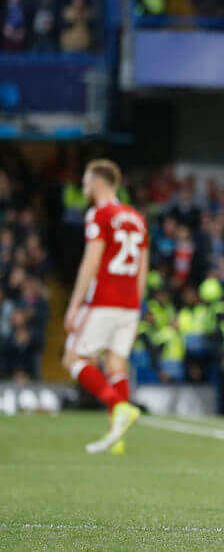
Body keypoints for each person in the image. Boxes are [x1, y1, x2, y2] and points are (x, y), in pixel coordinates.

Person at [61, 160, 146, 454]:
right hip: (130, 303)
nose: (83, 186)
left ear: (99, 182)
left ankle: (118, 405)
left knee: (73, 359)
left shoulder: (99, 214)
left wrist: (74, 305)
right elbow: (142, 269)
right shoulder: (136, 217)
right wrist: (135, 304)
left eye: (86, 180)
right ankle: (117, 438)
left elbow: (91, 261)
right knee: (115, 364)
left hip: (103, 300)